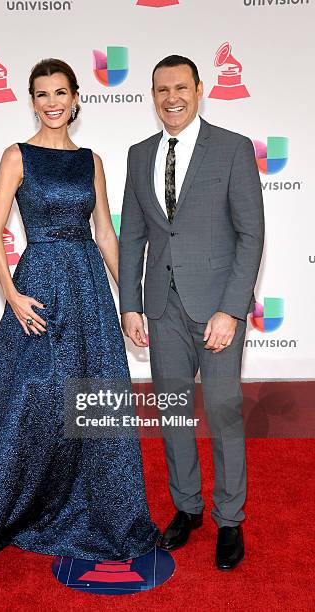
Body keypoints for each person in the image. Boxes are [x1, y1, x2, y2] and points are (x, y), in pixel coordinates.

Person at [0, 58, 159, 584]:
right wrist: (12, 296)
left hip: (89, 292)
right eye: (41, 94)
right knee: (29, 403)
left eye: (60, 92)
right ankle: (10, 507)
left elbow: (105, 234)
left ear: (76, 97)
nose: (52, 102)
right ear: (31, 101)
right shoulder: (16, 155)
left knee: (93, 398)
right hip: (38, 290)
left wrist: (130, 303)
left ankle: (103, 510)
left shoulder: (91, 161)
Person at [119, 55, 264, 570]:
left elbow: (251, 235)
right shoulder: (139, 155)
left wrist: (231, 309)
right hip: (160, 307)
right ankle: (187, 507)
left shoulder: (232, 148)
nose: (171, 98)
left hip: (217, 309)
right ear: (152, 94)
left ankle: (230, 518)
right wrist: (131, 305)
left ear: (199, 90)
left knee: (223, 410)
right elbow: (132, 236)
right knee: (173, 411)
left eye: (180, 87)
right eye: (161, 89)